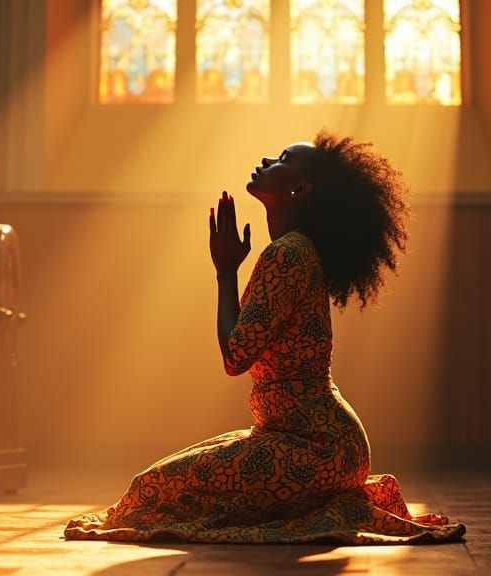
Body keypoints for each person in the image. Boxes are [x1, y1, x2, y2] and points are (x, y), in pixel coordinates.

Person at [64, 132, 466, 544]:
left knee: (151, 491)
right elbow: (246, 344)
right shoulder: (293, 251)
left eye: (282, 159)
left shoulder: (288, 254)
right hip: (316, 442)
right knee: (153, 484)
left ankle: (323, 497)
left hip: (316, 448)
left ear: (299, 189)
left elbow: (235, 357)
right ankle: (323, 498)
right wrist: (231, 267)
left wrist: (224, 272)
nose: (266, 159)